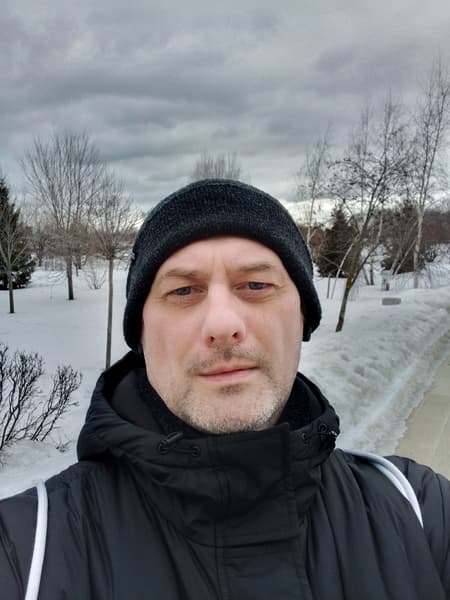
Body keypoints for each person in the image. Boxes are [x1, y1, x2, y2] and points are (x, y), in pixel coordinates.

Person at [0, 179, 449, 599]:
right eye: (183, 291)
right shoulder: (28, 552)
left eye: (255, 285)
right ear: (141, 334)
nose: (221, 324)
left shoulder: (419, 511)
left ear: (303, 319)